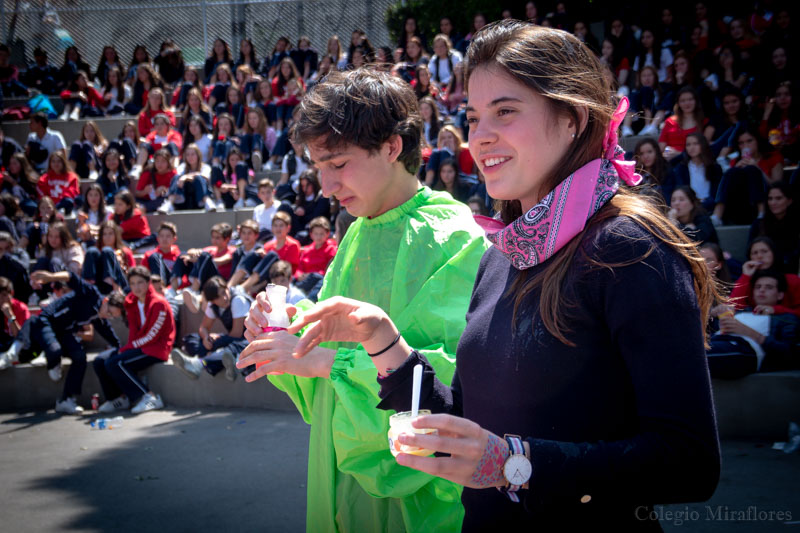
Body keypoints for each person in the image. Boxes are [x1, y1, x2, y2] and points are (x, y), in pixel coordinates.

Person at [260, 22, 722, 529]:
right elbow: (468, 417)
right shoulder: (504, 251)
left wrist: (515, 464)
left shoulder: (628, 248)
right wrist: (384, 342)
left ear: (573, 118)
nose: (480, 137)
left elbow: (690, 463)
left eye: (505, 111)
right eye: (474, 116)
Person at [237, 67, 489, 532]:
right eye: (318, 168)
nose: (327, 187)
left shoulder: (455, 238)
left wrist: (324, 362)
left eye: (338, 164)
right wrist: (287, 336)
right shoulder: (356, 233)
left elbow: (451, 387)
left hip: (419, 503)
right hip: (342, 483)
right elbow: (328, 389)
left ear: (392, 147)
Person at [0, 271, 123, 413]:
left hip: (64, 331)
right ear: (106, 301)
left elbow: (110, 335)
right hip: (47, 321)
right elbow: (71, 276)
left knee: (80, 357)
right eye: (108, 312)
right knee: (54, 349)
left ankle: (66, 399)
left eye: (111, 316)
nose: (107, 316)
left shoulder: (99, 318)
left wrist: (120, 348)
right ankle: (48, 359)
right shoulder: (91, 293)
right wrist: (52, 277)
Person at [93, 266, 174, 414]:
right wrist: (105, 303)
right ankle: (118, 399)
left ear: (148, 282)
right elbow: (131, 327)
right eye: (132, 283)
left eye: (140, 282)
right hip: (140, 347)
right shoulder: (132, 302)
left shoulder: (159, 303)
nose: (136, 287)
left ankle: (149, 397)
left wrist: (127, 348)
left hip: (157, 348)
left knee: (115, 362)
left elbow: (152, 336)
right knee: (100, 361)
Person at [707, 270, 799, 378]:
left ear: (780, 295)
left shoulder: (785, 318)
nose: (762, 290)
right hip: (717, 342)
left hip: (744, 350)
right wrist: (713, 314)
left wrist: (749, 332)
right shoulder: (741, 312)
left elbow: (790, 354)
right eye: (758, 287)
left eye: (769, 287)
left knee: (692, 356)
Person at [171, 276, 252, 382]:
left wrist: (217, 340)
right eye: (218, 297)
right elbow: (203, 328)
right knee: (191, 339)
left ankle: (199, 363)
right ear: (212, 301)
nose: (224, 298)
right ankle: (222, 360)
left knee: (233, 347)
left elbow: (237, 334)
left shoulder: (238, 300)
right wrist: (206, 338)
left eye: (224, 292)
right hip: (231, 341)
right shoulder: (213, 306)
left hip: (248, 340)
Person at [730, 237, 800, 316]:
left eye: (764, 251)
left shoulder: (792, 280)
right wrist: (745, 276)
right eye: (755, 253)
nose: (759, 256)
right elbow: (731, 308)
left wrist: (776, 310)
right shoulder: (746, 281)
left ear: (774, 253)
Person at [662, 133, 722, 212]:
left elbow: (717, 191)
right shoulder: (681, 168)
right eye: (688, 145)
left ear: (703, 145)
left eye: (695, 144)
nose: (691, 147)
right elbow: (681, 189)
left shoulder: (714, 167)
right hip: (689, 207)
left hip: (710, 205)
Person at [748, 182, 799, 274]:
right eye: (770, 199)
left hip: (790, 268)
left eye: (778, 198)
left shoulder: (797, 223)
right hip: (763, 268)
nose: (773, 202)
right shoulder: (759, 224)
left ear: (789, 200)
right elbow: (750, 250)